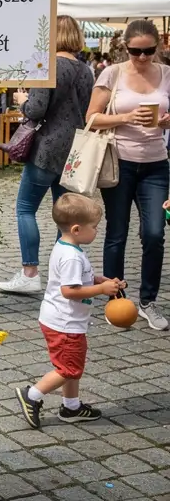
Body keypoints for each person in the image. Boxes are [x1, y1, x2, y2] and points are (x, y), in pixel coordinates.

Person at [0, 16, 95, 295]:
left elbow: (36, 109)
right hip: (74, 149)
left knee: (25, 208)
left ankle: (30, 272)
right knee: (64, 214)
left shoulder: (47, 65)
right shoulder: (86, 71)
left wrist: (22, 101)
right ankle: (61, 273)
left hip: (47, 147)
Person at [85, 18, 170, 331]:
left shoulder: (167, 74)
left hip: (157, 164)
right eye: (136, 51)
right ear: (126, 48)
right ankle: (116, 298)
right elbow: (91, 118)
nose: (143, 57)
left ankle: (148, 300)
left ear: (158, 46)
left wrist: (166, 121)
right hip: (119, 162)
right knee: (116, 233)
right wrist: (125, 117)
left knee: (154, 234)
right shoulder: (113, 72)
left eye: (149, 51)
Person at [16, 194, 123, 429]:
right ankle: (32, 395)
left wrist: (98, 279)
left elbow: (77, 279)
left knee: (74, 365)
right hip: (64, 323)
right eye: (94, 227)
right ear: (76, 229)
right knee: (68, 368)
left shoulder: (66, 247)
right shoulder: (72, 256)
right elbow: (69, 290)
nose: (97, 231)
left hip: (63, 320)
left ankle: (71, 407)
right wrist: (101, 289)